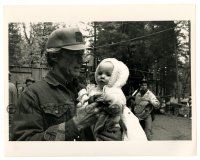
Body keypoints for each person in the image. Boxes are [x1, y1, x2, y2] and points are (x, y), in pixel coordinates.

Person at [11, 27, 119, 141]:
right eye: (75, 54)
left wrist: (112, 136)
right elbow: (23, 145)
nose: (81, 60)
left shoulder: (85, 90)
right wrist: (76, 124)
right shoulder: (32, 95)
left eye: (81, 54)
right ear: (54, 56)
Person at [77, 58, 147, 141]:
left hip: (109, 125)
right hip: (92, 124)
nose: (102, 76)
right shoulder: (93, 89)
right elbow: (86, 101)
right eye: (100, 73)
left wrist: (109, 99)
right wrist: (83, 95)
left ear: (115, 77)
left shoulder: (115, 90)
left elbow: (119, 104)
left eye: (108, 74)